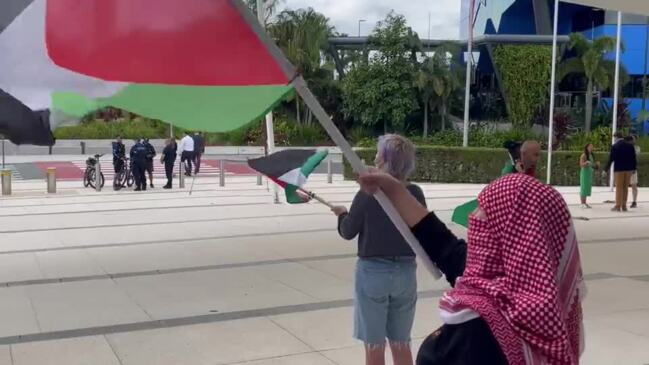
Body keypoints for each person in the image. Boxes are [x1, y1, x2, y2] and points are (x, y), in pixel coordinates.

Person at [357, 171, 585, 365]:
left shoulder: (476, 333)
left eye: (485, 212)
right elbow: (448, 250)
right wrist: (394, 190)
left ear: (508, 235)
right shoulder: (553, 312)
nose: (474, 217)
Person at [331, 134, 426, 365]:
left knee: (374, 345)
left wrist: (342, 214)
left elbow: (348, 231)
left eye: (378, 153)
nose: (374, 157)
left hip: (373, 273)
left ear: (385, 160)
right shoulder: (415, 193)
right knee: (401, 342)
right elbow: (423, 230)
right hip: (405, 274)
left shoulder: (368, 193)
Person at [606, 132, 637, 212]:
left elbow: (611, 159)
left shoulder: (615, 146)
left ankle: (617, 205)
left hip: (619, 170)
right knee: (625, 188)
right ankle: (624, 205)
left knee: (619, 188)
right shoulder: (630, 146)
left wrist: (605, 169)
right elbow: (633, 158)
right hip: (628, 170)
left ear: (616, 137)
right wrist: (634, 169)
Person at [580, 143, 598, 208]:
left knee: (587, 188)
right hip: (585, 173)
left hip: (589, 173)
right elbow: (581, 165)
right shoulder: (583, 155)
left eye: (592, 146)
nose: (591, 148)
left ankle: (585, 202)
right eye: (590, 146)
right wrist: (586, 163)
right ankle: (582, 203)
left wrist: (596, 165)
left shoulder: (591, 155)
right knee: (584, 187)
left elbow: (592, 165)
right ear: (587, 147)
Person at [628, 135, 640, 208]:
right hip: (625, 169)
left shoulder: (637, 148)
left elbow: (635, 155)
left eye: (633, 139)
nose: (632, 141)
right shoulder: (625, 147)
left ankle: (634, 201)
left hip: (633, 169)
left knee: (634, 185)